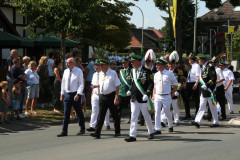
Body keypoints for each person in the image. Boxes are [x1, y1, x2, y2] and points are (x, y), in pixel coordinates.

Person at [124, 55, 154, 142]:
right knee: (134, 116)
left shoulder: (147, 71)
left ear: (138, 62)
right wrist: (129, 90)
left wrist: (147, 93)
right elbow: (133, 83)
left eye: (133, 62)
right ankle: (132, 135)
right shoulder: (132, 71)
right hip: (134, 97)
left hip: (143, 97)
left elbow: (151, 84)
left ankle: (151, 132)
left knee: (146, 115)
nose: (132, 63)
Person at [90, 59, 121, 139]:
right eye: (100, 65)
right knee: (101, 115)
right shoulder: (100, 74)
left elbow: (117, 85)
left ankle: (117, 131)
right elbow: (102, 84)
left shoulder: (112, 73)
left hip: (111, 96)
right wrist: (96, 86)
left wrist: (116, 97)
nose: (100, 67)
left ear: (106, 66)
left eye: (102, 65)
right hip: (102, 96)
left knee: (114, 115)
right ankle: (97, 133)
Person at [57, 57, 85, 137]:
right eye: (66, 63)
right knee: (66, 113)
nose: (67, 64)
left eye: (68, 63)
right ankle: (64, 131)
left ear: (73, 63)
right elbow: (63, 83)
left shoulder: (78, 71)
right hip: (67, 94)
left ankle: (82, 128)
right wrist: (62, 94)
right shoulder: (65, 71)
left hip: (75, 94)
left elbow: (81, 84)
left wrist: (78, 94)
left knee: (79, 112)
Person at [191, 53, 219, 128]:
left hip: (209, 90)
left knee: (212, 106)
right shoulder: (203, 67)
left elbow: (214, 78)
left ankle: (216, 121)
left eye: (199, 59)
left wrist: (206, 85)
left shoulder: (210, 67)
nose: (199, 61)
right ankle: (197, 121)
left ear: (202, 60)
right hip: (203, 91)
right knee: (202, 106)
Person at [152, 58, 178, 134]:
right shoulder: (156, 74)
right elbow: (155, 86)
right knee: (157, 112)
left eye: (158, 65)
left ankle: (170, 125)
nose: (156, 66)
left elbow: (175, 83)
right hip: (158, 96)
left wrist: (172, 93)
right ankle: (158, 129)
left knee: (167, 112)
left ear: (162, 65)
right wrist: (153, 95)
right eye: (156, 65)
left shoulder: (169, 73)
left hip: (166, 96)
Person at [87, 59, 110, 132]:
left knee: (105, 110)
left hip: (102, 94)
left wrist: (96, 86)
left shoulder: (103, 74)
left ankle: (107, 123)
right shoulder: (94, 74)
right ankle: (92, 125)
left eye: (97, 65)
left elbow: (105, 84)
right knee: (94, 110)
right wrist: (92, 94)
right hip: (95, 94)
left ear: (101, 66)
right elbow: (92, 85)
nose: (96, 66)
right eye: (95, 65)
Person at [183, 53, 200, 120]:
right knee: (186, 98)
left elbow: (198, 77)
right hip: (189, 83)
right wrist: (185, 83)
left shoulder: (196, 66)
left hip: (194, 83)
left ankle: (197, 114)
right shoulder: (191, 66)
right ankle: (188, 114)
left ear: (192, 60)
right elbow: (189, 76)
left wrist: (196, 84)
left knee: (196, 100)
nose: (188, 61)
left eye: (189, 59)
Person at [118, 57, 131, 123]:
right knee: (119, 106)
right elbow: (119, 81)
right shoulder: (121, 71)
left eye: (125, 63)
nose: (124, 64)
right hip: (121, 91)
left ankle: (131, 118)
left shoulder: (131, 71)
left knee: (130, 106)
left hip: (129, 91)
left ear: (128, 63)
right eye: (123, 63)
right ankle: (118, 118)